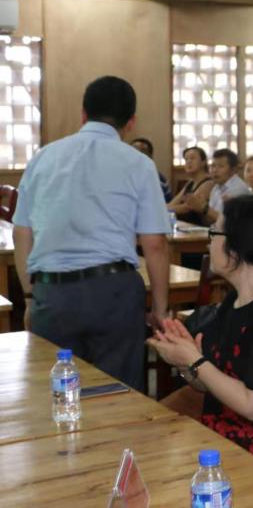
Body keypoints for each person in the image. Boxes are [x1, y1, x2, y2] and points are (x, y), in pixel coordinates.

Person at [13, 75, 170, 391]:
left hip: (53, 294)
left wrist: (31, 297)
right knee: (118, 396)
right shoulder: (139, 164)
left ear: (83, 114)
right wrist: (160, 308)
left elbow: (21, 233)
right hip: (113, 294)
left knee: (59, 396)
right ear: (131, 122)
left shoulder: (43, 158)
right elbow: (154, 244)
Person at [148, 195, 253, 481]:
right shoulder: (235, 301)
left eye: (214, 233)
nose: (208, 242)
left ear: (239, 245)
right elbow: (214, 384)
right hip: (219, 444)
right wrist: (185, 361)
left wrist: (196, 360)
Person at [185, 148, 248, 225]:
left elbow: (228, 222)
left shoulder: (238, 189)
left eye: (220, 166)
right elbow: (210, 221)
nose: (215, 170)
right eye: (213, 166)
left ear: (233, 170)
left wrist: (204, 208)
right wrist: (201, 208)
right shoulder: (216, 187)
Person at [167, 146, 214, 225]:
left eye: (192, 158)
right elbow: (173, 203)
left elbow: (187, 207)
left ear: (203, 162)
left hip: (200, 227)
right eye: (186, 159)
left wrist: (162, 210)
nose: (188, 162)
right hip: (187, 226)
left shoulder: (208, 183)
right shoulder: (190, 183)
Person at [131, 137, 172, 202]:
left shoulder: (158, 179)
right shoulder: (124, 176)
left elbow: (166, 204)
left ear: (150, 156)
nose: (137, 154)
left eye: (142, 151)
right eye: (133, 150)